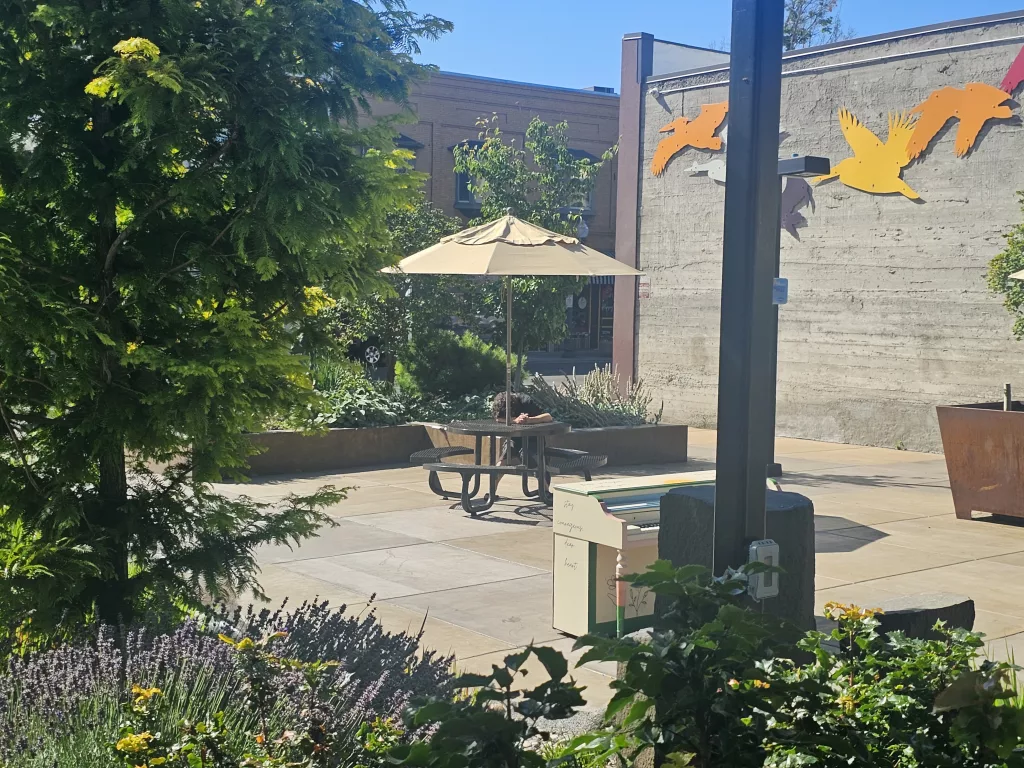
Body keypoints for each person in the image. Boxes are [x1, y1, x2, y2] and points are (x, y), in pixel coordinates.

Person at [490, 391, 553, 466]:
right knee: (505, 457)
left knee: (527, 457)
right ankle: (494, 477)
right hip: (514, 438)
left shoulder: (526, 402)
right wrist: (514, 420)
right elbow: (498, 418)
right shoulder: (501, 406)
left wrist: (529, 420)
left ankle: (542, 474)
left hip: (533, 438)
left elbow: (548, 417)